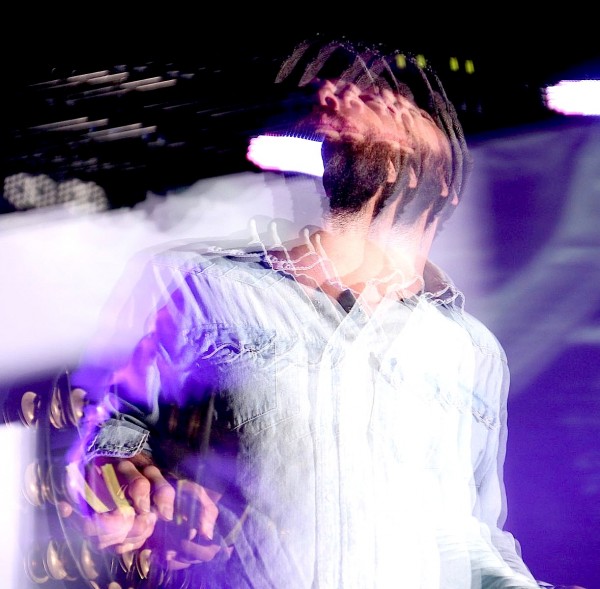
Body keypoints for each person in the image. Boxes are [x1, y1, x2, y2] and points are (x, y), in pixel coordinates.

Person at [61, 36, 584, 588]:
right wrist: (127, 483)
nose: (342, 95)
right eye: (331, 93)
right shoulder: (204, 288)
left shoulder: (471, 351)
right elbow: (102, 431)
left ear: (446, 174)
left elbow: (468, 539)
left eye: (394, 100)